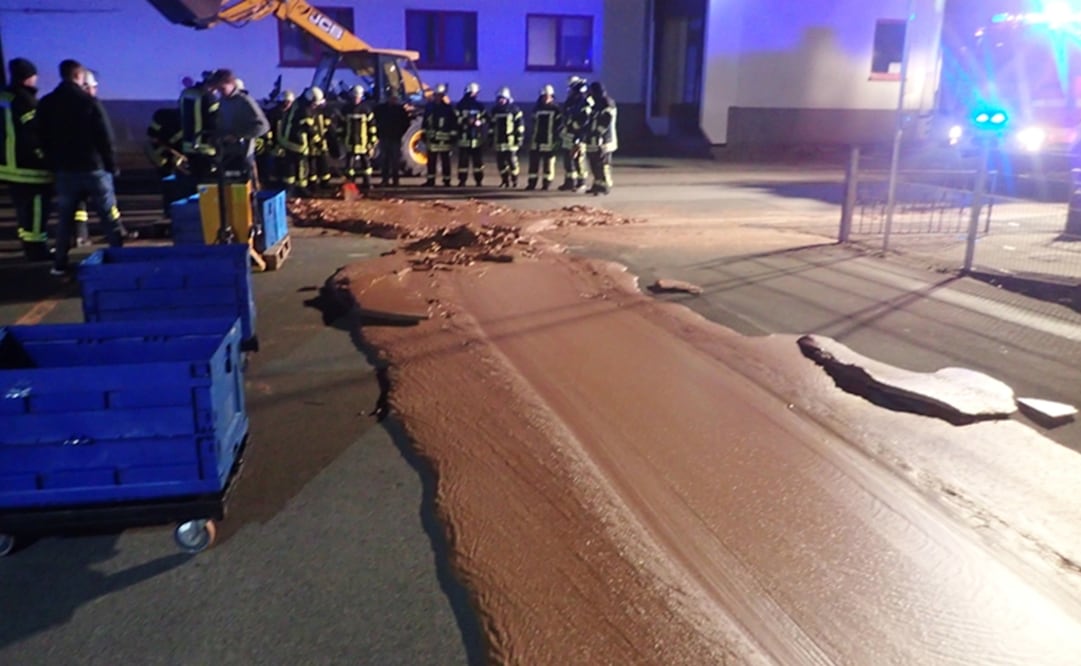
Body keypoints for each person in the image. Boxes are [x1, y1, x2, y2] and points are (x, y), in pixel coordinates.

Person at [38, 59, 135, 277]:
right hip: (94, 169)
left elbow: (41, 137)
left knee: (65, 220)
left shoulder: (47, 103)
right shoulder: (89, 102)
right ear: (79, 76)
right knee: (108, 216)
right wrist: (111, 165)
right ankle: (119, 258)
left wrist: (53, 164)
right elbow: (105, 138)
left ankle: (59, 263)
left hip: (65, 171)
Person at [0, 57, 53, 261]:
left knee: (22, 208)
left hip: (7, 167)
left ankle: (27, 244)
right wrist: (45, 157)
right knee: (36, 208)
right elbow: (34, 133)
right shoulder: (26, 101)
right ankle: (37, 249)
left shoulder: (4, 97)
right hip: (29, 167)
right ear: (29, 77)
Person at [210, 68, 270, 183]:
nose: (220, 92)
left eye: (222, 89)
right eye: (218, 90)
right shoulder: (222, 101)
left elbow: (263, 126)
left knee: (246, 187)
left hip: (244, 157)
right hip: (226, 156)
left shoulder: (245, 101)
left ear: (231, 84)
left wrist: (238, 135)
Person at [178, 71, 220, 181]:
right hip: (205, 148)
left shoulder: (186, 93)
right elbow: (215, 122)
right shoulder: (209, 97)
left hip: (188, 144)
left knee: (193, 179)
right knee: (206, 181)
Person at [559, 75, 594, 192]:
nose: (570, 90)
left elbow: (586, 119)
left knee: (579, 159)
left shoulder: (586, 101)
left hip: (580, 134)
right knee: (568, 158)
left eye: (572, 88)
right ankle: (570, 181)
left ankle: (582, 183)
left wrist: (577, 132)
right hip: (569, 133)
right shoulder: (572, 100)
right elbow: (566, 113)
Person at [340, 85, 377, 191]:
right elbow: (341, 126)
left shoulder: (366, 109)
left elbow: (372, 127)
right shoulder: (346, 109)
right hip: (350, 142)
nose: (356, 99)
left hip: (363, 143)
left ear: (361, 97)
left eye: (358, 97)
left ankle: (367, 183)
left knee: (366, 165)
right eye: (354, 97)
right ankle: (351, 184)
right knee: (349, 166)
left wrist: (372, 142)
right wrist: (341, 138)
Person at [525, 84, 562, 191]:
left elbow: (559, 125)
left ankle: (546, 184)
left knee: (548, 164)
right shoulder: (536, 108)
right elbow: (532, 123)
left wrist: (557, 140)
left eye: (547, 96)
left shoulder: (556, 109)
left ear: (552, 96)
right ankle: (532, 183)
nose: (545, 98)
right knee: (533, 163)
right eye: (544, 96)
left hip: (550, 141)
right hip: (536, 140)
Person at [585, 81, 618, 196]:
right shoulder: (596, 103)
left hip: (605, 140)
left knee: (603, 164)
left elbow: (606, 120)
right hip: (593, 139)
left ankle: (606, 185)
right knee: (594, 163)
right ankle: (597, 185)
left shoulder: (607, 103)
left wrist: (599, 133)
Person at [279, 88, 313, 196]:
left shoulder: (295, 107)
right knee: (300, 165)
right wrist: (317, 140)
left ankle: (290, 189)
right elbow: (308, 128)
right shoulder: (303, 110)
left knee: (290, 166)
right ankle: (300, 188)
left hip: (288, 141)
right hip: (297, 143)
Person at [422, 83, 457, 187]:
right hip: (432, 140)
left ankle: (446, 180)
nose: (438, 97)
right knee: (431, 161)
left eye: (440, 95)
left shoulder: (448, 108)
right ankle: (430, 180)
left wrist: (453, 136)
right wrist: (423, 133)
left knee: (445, 161)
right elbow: (425, 122)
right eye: (436, 95)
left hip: (444, 141)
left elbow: (453, 123)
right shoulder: (429, 107)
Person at [489, 87, 524, 188]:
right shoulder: (495, 110)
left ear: (507, 98)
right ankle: (505, 180)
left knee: (512, 161)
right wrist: (490, 138)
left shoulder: (515, 110)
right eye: (499, 98)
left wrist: (519, 138)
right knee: (500, 163)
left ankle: (514, 179)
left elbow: (520, 126)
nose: (501, 100)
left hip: (511, 141)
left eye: (503, 98)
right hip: (499, 141)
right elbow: (492, 126)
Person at [373, 90, 410, 187]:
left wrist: (400, 133)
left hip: (395, 138)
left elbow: (406, 123)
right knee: (384, 160)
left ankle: (395, 180)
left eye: (395, 98)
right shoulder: (381, 109)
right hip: (384, 137)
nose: (393, 100)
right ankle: (385, 180)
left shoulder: (400, 110)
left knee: (395, 161)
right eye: (391, 98)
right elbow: (375, 121)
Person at [456, 82, 487, 186]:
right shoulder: (460, 105)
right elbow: (455, 119)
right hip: (465, 137)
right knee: (464, 162)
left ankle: (476, 180)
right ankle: (464, 180)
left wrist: (479, 122)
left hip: (475, 138)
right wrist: (466, 121)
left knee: (476, 162)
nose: (476, 95)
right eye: (475, 93)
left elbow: (486, 118)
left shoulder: (479, 106)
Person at [304, 86, 335, 189]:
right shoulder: (306, 111)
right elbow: (309, 129)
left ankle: (325, 183)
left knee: (324, 163)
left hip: (322, 141)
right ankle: (312, 184)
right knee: (312, 164)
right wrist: (318, 141)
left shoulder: (322, 109)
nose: (316, 106)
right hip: (310, 143)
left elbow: (327, 123)